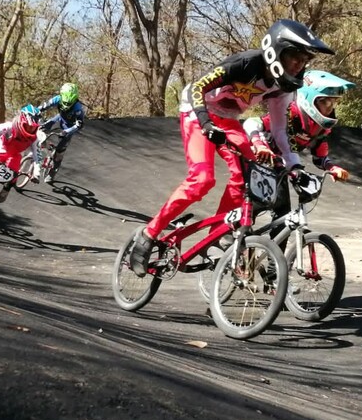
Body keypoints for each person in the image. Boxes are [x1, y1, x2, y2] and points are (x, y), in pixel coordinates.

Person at [129, 19, 335, 277]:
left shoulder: (282, 89)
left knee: (249, 174)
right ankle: (148, 234)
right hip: (197, 112)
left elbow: (280, 132)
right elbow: (196, 88)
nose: (299, 65)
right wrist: (205, 123)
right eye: (295, 57)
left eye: (304, 61)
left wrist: (295, 167)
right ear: (276, 51)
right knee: (202, 180)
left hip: (228, 120)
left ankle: (217, 237)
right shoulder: (245, 63)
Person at [243, 69, 355, 242]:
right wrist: (258, 143)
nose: (330, 108)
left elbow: (319, 156)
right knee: (253, 209)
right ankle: (235, 240)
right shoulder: (288, 111)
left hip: (280, 167)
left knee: (283, 217)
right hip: (256, 162)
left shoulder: (320, 127)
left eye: (333, 103)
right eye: (326, 102)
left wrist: (332, 167)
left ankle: (276, 267)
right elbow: (252, 122)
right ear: (310, 98)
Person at [36, 82, 86, 183]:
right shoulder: (58, 98)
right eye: (65, 102)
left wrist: (67, 131)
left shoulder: (78, 108)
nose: (66, 106)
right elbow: (44, 106)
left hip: (69, 126)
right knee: (41, 129)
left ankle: (53, 171)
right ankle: (47, 147)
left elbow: (79, 125)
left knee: (59, 152)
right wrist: (35, 112)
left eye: (69, 104)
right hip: (59, 119)